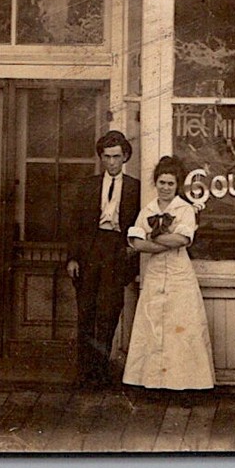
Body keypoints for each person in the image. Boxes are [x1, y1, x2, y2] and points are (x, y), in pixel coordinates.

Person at [122, 156, 216, 396]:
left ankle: (186, 386)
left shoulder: (184, 210)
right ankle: (154, 384)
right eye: (162, 183)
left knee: (181, 329)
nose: (165, 188)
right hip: (155, 274)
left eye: (170, 184)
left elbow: (182, 240)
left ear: (177, 186)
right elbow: (135, 242)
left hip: (178, 274)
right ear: (156, 183)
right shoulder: (149, 209)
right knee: (153, 327)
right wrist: (162, 241)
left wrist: (152, 237)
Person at [65, 129, 140, 389]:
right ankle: (84, 373)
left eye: (116, 157)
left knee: (108, 314)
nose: (111, 162)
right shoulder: (88, 186)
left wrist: (132, 250)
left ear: (125, 157)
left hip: (116, 251)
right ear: (101, 158)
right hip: (89, 250)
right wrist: (73, 258)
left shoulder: (135, 188)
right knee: (86, 313)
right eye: (106, 157)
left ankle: (101, 371)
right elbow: (75, 223)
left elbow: (139, 224)